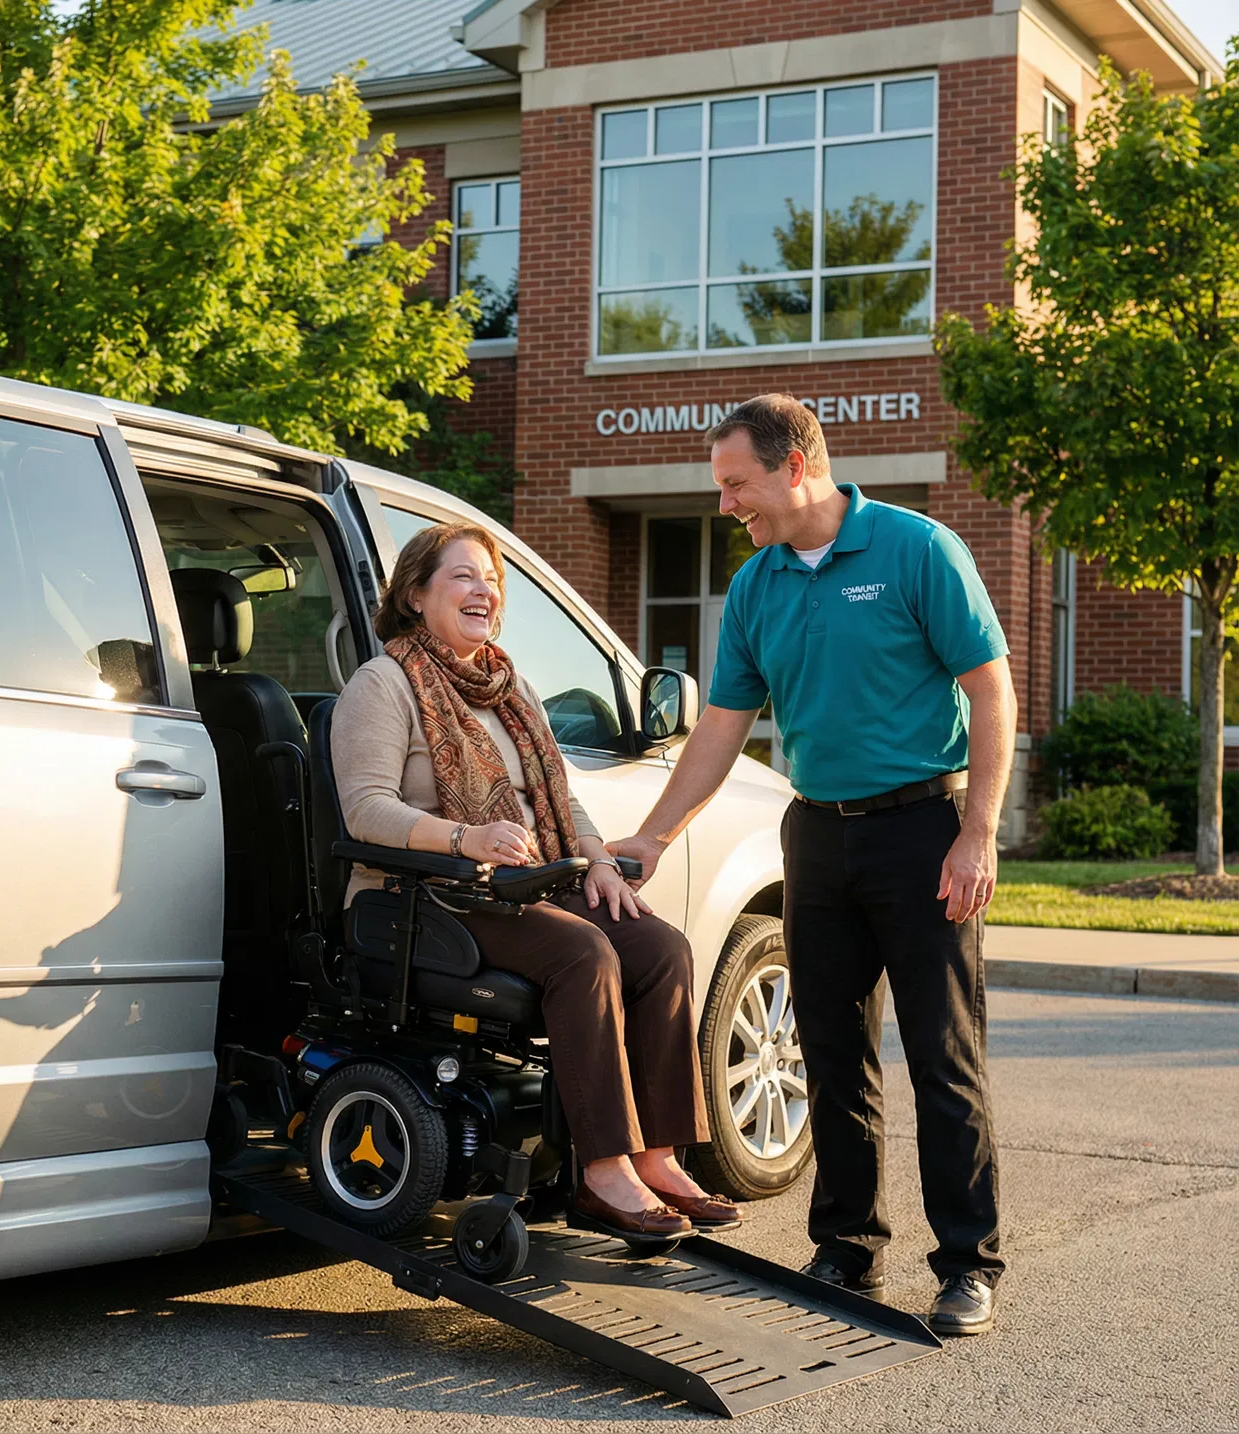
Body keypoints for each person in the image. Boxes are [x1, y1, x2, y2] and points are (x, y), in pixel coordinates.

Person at [609, 394, 1014, 1336]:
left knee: (944, 1058)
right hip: (816, 836)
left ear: (796, 467)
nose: (725, 505)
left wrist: (979, 831)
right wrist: (655, 836)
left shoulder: (918, 549)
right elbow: (719, 732)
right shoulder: (756, 586)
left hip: (923, 832)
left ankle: (967, 1263)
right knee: (828, 1051)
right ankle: (847, 1245)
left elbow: (990, 692)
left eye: (736, 483)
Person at [330, 519, 740, 1239]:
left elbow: (561, 798)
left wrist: (601, 863)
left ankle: (658, 1155)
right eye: (463, 576)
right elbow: (366, 813)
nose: (484, 590)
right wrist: (467, 838)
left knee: (660, 947)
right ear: (416, 595)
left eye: (492, 580)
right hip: (426, 895)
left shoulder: (507, 684)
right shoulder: (383, 682)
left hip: (523, 884)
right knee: (584, 954)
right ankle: (601, 1172)